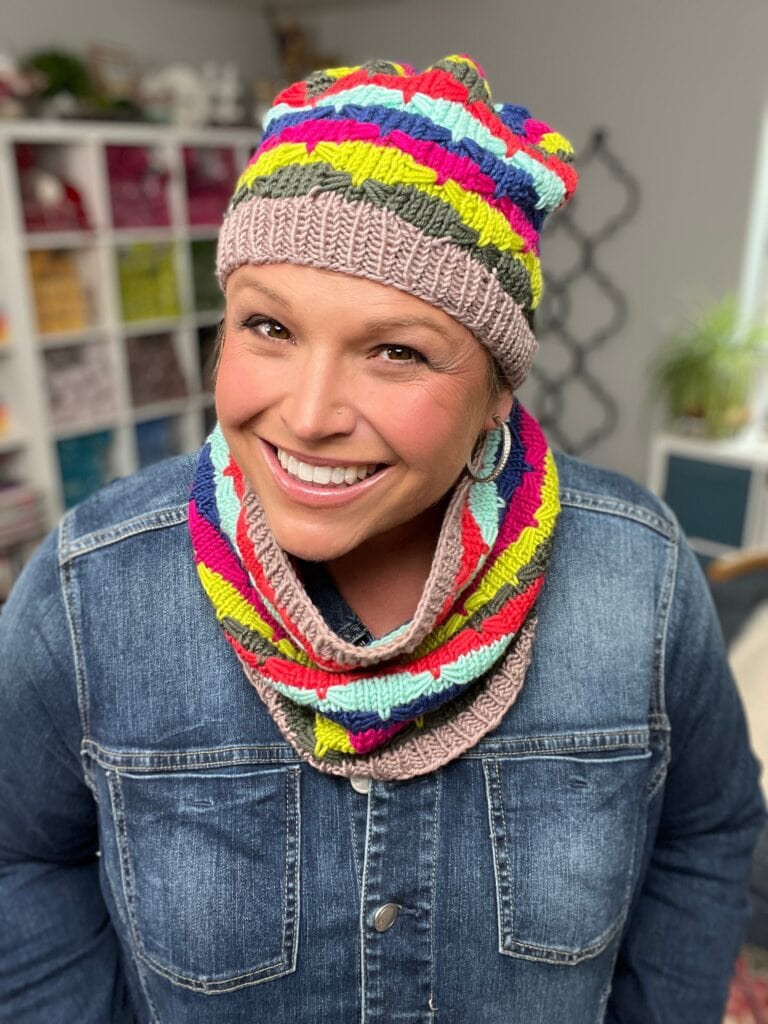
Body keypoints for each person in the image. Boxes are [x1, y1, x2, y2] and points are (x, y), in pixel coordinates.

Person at [0, 54, 764, 1024]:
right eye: (269, 327)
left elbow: (707, 826)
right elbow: (20, 852)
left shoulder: (638, 576)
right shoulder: (92, 588)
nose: (308, 414)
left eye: (396, 350)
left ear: (499, 388)